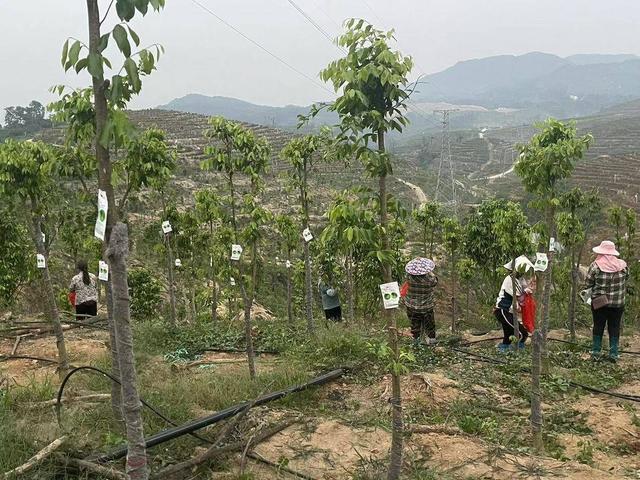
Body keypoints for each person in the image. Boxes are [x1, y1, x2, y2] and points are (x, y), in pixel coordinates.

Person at [584, 240, 629, 363]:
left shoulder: (595, 266)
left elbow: (588, 284)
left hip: (600, 303)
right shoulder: (623, 266)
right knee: (614, 327)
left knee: (598, 326)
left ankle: (596, 352)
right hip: (618, 303)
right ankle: (613, 353)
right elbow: (626, 279)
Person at [495, 255, 535, 352]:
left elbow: (524, 289)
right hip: (503, 310)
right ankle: (517, 353)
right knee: (522, 334)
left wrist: (530, 287)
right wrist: (525, 292)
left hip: (509, 311)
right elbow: (518, 296)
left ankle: (503, 353)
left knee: (508, 337)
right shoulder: (510, 280)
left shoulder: (518, 280)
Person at [402, 257, 438, 345]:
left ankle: (416, 340)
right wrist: (430, 273)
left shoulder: (409, 278)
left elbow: (406, 279)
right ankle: (431, 339)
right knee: (430, 323)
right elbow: (435, 281)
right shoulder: (430, 279)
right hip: (427, 306)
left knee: (415, 323)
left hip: (412, 305)